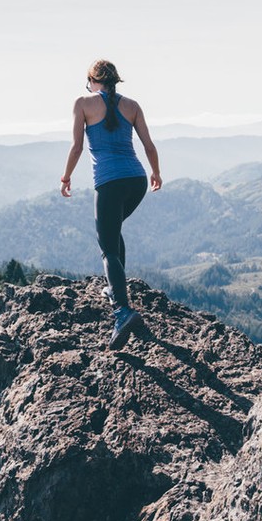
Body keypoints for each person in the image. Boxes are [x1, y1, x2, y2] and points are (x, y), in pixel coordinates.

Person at [60, 59, 162, 349]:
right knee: (113, 232)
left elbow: (77, 147)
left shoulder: (83, 103)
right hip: (137, 181)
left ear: (93, 80)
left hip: (109, 181)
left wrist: (66, 177)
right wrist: (156, 173)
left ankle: (122, 311)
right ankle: (116, 289)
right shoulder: (132, 106)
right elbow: (149, 146)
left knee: (107, 246)